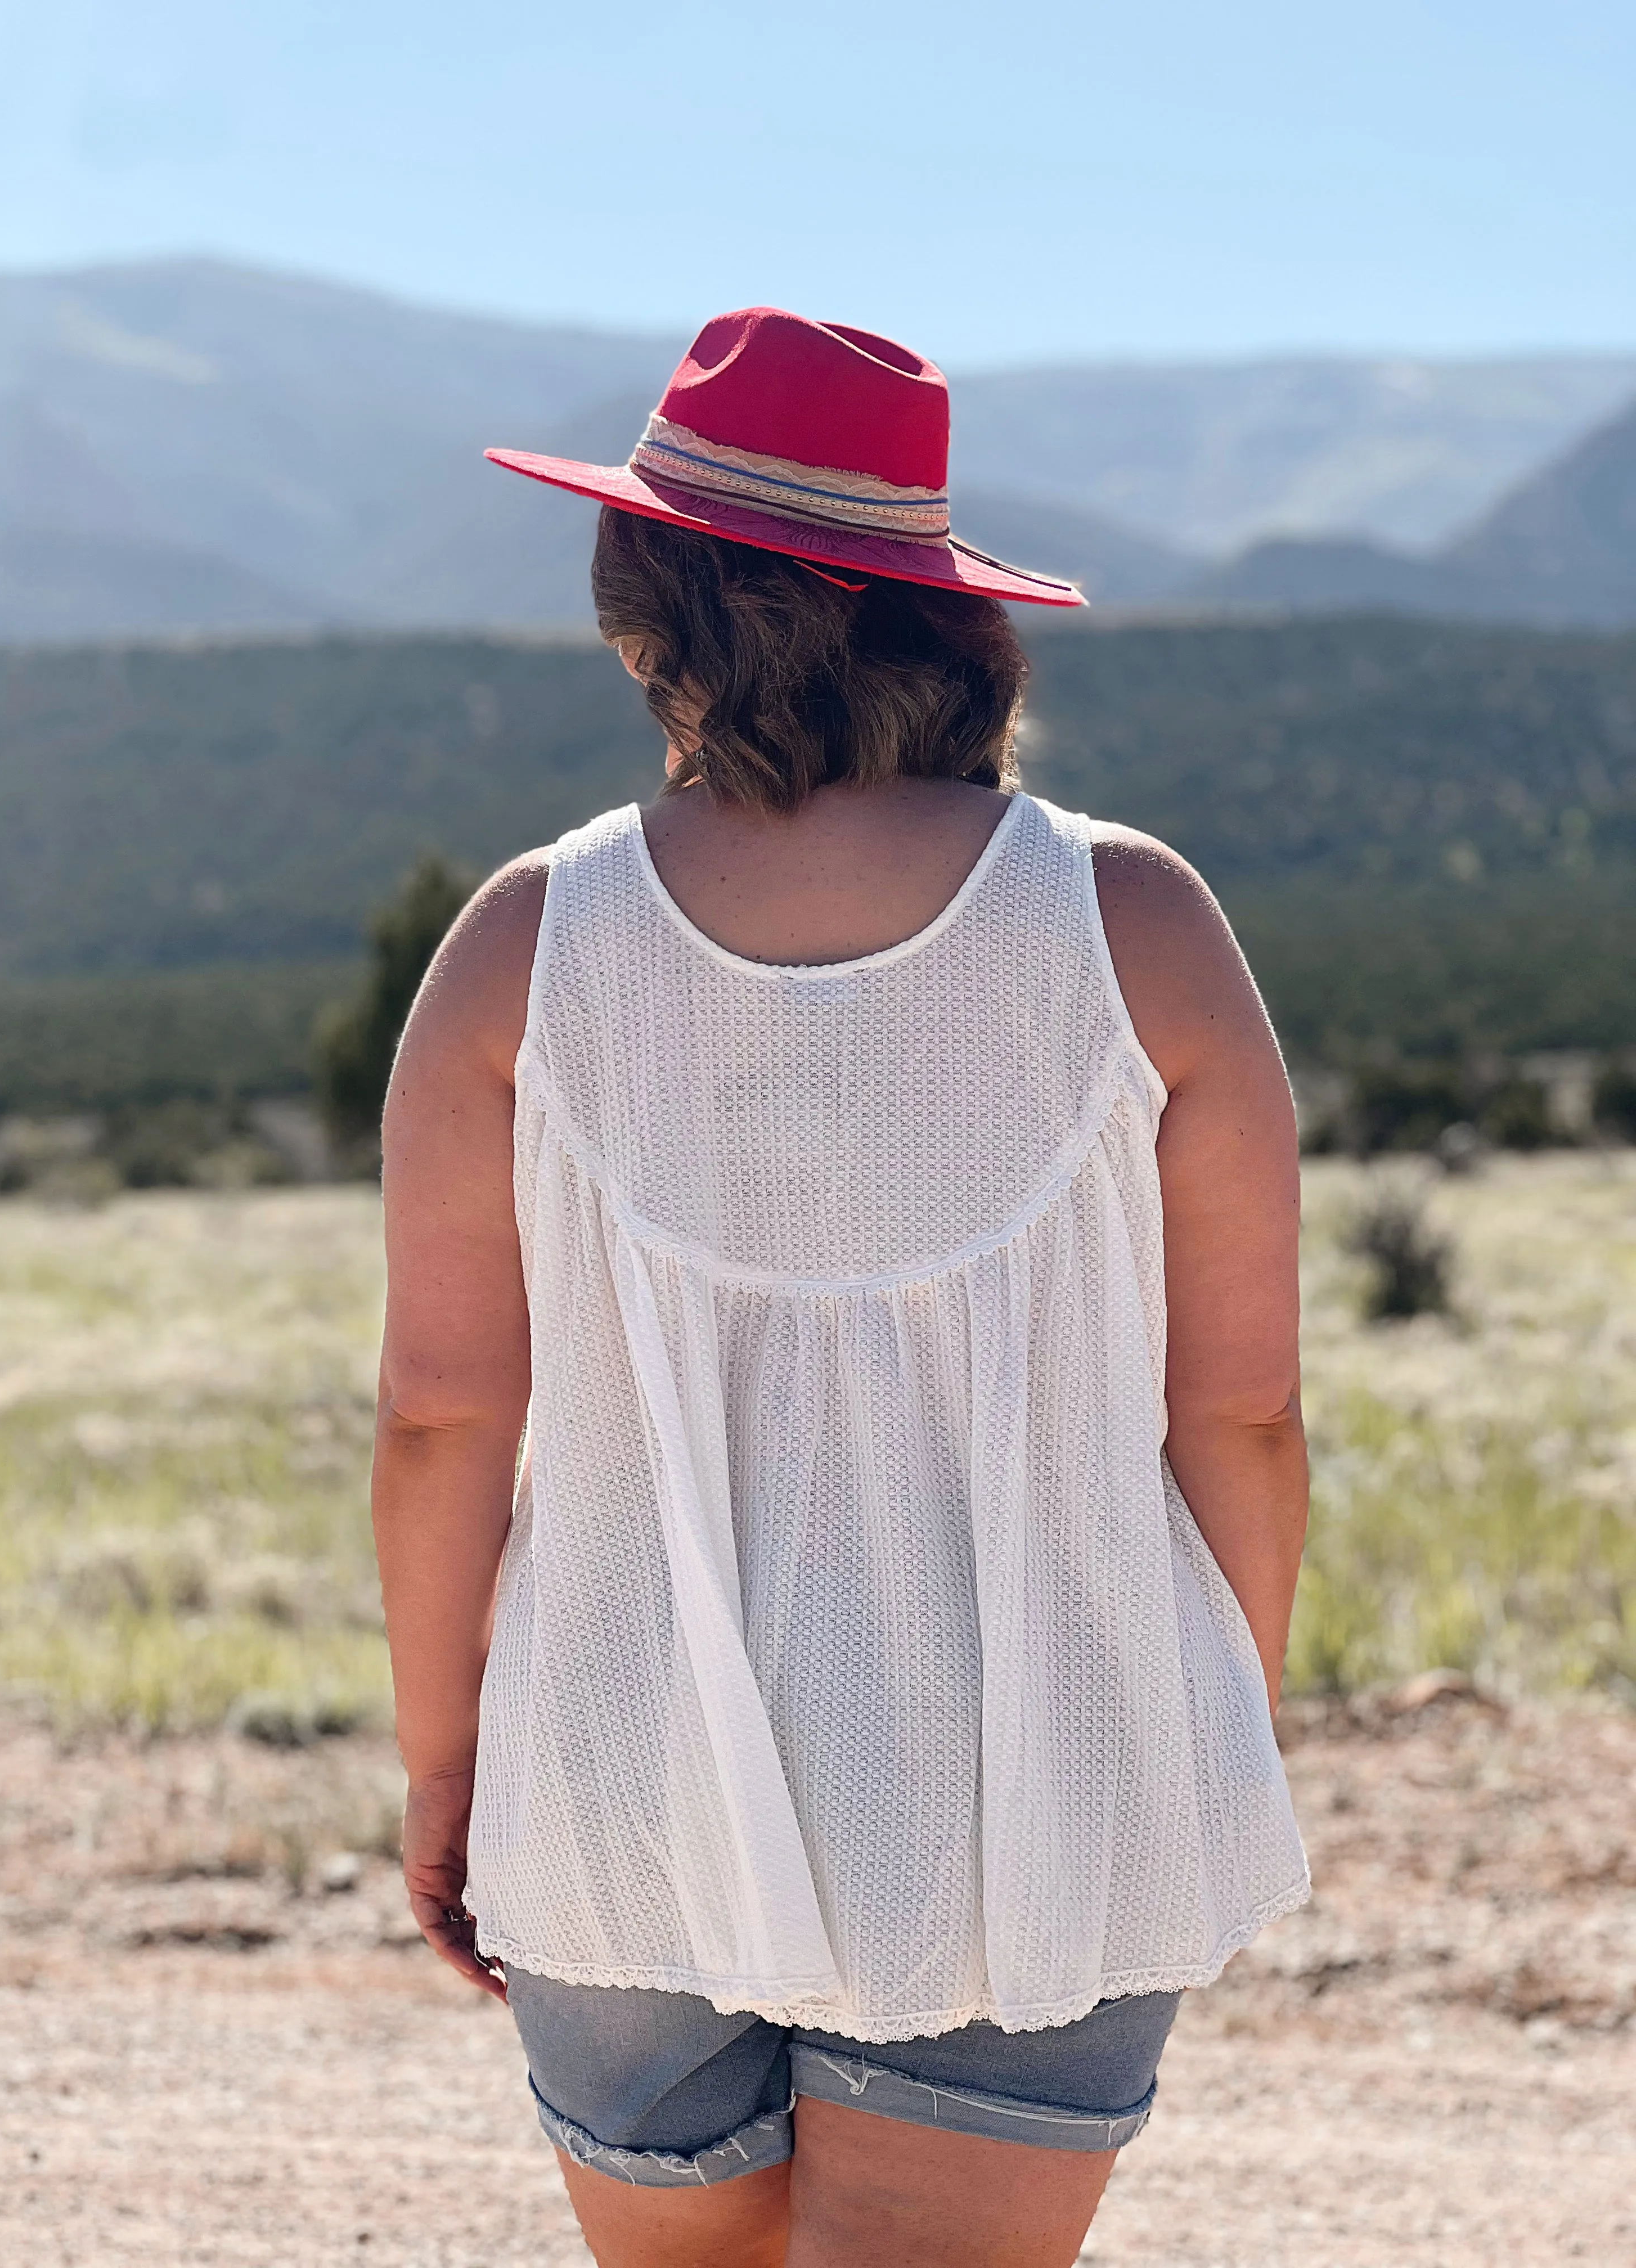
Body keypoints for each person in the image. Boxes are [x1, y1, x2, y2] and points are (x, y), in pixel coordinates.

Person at [372, 308, 1310, 2268]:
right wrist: (1209, 1712)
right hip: (1034, 1779)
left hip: (622, 1766)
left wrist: (450, 1765)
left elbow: (443, 1415)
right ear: (949, 622)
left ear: (654, 613)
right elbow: (1239, 1412)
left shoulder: (524, 945)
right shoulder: (1132, 918)